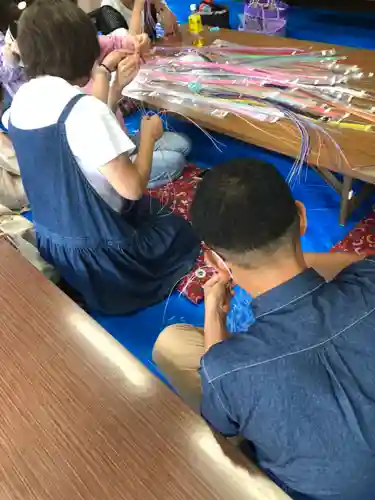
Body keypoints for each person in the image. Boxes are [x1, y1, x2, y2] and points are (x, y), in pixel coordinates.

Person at [153, 158, 375, 500]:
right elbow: (361, 265)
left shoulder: (226, 368)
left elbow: (222, 424)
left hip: (308, 492)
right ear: (301, 217)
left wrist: (214, 311)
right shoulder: (368, 279)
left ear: (212, 258)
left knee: (173, 344)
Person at [9, 0, 200, 315]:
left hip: (53, 241)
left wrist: (111, 82)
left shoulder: (21, 103)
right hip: (102, 256)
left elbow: (81, 134)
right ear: (86, 49)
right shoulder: (83, 109)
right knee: (178, 233)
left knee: (151, 208)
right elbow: (133, 188)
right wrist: (149, 138)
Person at [101, 0, 179, 38]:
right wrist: (137, 8)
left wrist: (158, 3)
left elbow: (173, 29)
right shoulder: (108, 8)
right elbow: (132, 46)